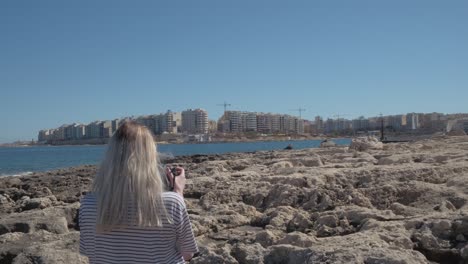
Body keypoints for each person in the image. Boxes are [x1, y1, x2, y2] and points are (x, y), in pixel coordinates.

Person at [79, 121, 198, 263]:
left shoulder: (88, 204)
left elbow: (92, 255)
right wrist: (178, 192)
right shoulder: (172, 202)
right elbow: (187, 254)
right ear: (150, 158)